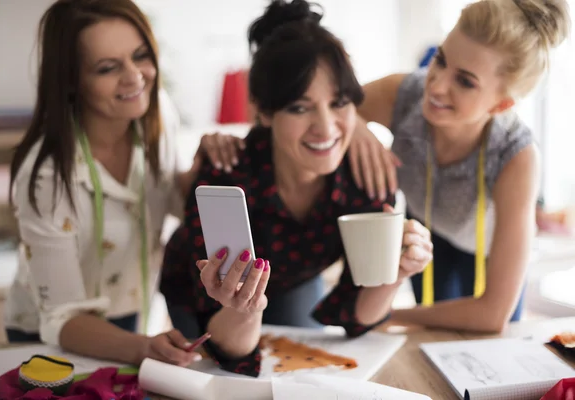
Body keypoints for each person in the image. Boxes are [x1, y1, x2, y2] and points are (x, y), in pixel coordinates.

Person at [160, 0, 433, 377]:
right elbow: (229, 348)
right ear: (265, 112)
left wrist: (397, 273)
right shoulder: (226, 174)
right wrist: (244, 310)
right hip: (199, 294)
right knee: (213, 377)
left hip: (294, 281)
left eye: (339, 103)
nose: (326, 127)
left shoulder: (366, 177)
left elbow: (356, 315)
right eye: (300, 108)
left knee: (298, 372)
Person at [6, 0, 247, 367]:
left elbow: (166, 197)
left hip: (132, 313)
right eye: (107, 68)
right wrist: (142, 347)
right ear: (71, 80)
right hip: (54, 332)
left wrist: (202, 166)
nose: (135, 77)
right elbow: (62, 317)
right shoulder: (47, 177)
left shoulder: (156, 112)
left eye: (140, 55)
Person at [348, 0, 571, 332]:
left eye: (465, 82)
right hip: (429, 232)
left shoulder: (516, 155)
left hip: (482, 254)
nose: (435, 85)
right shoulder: (405, 94)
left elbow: (492, 315)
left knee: (485, 349)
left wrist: (387, 315)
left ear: (501, 104)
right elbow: (333, 106)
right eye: (440, 60)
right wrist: (356, 128)